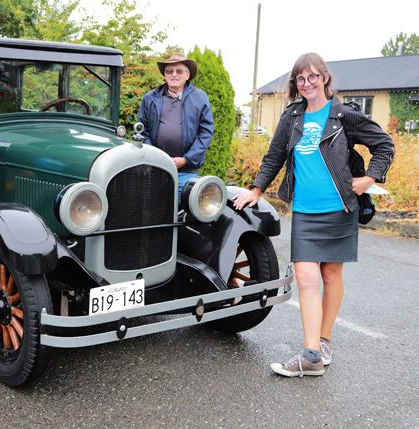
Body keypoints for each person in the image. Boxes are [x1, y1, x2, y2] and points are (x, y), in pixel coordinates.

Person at [233, 53, 394, 377]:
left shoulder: (344, 114)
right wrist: (256, 190)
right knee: (307, 278)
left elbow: (384, 145)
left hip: (339, 207)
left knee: (331, 275)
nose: (307, 83)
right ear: (296, 84)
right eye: (300, 79)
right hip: (304, 210)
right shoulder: (292, 116)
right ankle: (311, 354)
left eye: (312, 77)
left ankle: (323, 339)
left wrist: (369, 178)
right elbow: (275, 154)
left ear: (324, 78)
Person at [137, 53, 214, 199]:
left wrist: (186, 159)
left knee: (181, 212)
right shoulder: (150, 98)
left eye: (179, 71)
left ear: (187, 75)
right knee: (152, 208)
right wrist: (155, 157)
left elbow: (206, 133)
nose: (174, 75)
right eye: (169, 71)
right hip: (155, 168)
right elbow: (143, 131)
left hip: (187, 170)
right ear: (165, 75)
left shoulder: (200, 98)